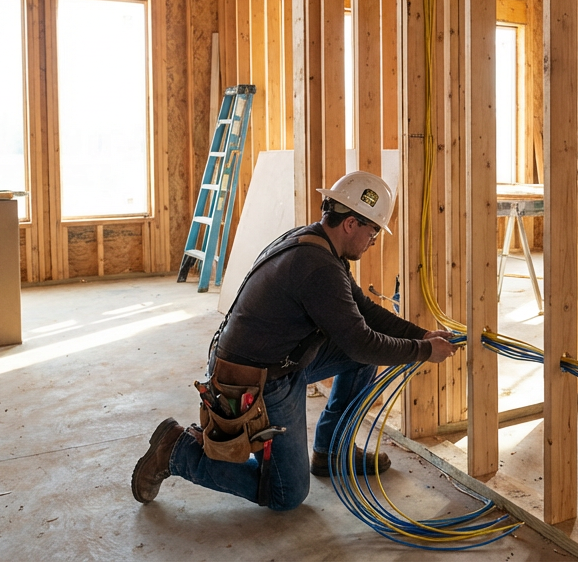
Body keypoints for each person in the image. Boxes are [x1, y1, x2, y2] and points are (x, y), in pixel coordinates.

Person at [130, 171, 457, 510]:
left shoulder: (316, 242)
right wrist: (423, 352)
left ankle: (332, 453)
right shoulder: (319, 268)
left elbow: (364, 311)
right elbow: (361, 341)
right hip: (257, 380)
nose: (373, 240)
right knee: (286, 494)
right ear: (350, 224)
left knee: (360, 357)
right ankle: (178, 452)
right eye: (373, 230)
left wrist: (421, 334)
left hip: (280, 359)